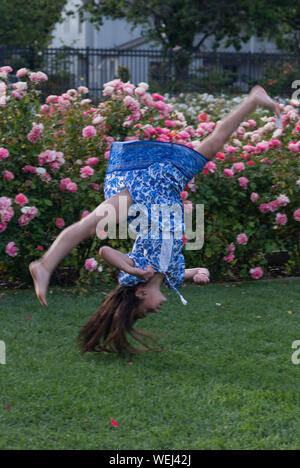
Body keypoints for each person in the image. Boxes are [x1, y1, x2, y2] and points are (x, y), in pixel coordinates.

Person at [29, 85, 280, 353]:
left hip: (140, 194)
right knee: (214, 143)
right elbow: (192, 271)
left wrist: (133, 270)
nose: (155, 311)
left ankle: (45, 265)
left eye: (144, 311)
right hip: (163, 191)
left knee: (88, 226)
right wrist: (200, 273)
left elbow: (105, 250)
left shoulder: (139, 270)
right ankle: (252, 100)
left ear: (140, 293)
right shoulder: (170, 275)